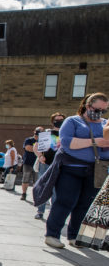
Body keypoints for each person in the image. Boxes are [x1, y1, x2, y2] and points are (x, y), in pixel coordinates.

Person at [44, 93, 109, 248]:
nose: (100, 113)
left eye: (104, 110)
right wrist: (94, 142)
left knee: (85, 204)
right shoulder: (72, 121)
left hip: (95, 170)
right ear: (87, 106)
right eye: (97, 109)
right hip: (71, 168)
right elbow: (66, 143)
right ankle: (52, 234)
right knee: (65, 201)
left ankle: (74, 236)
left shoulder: (105, 125)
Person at [33, 113, 65, 219]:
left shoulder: (66, 133)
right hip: (46, 163)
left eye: (61, 119)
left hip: (60, 165)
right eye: (57, 120)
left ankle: (53, 212)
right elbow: (36, 147)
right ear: (52, 121)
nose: (59, 121)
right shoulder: (46, 133)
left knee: (57, 189)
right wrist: (40, 156)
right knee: (43, 187)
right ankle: (40, 211)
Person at [21, 127, 42, 200]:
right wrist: (38, 149)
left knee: (36, 181)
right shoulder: (29, 140)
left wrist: (35, 148)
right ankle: (24, 194)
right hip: (28, 163)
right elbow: (28, 148)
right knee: (25, 178)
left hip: (38, 163)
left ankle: (35, 196)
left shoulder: (43, 141)